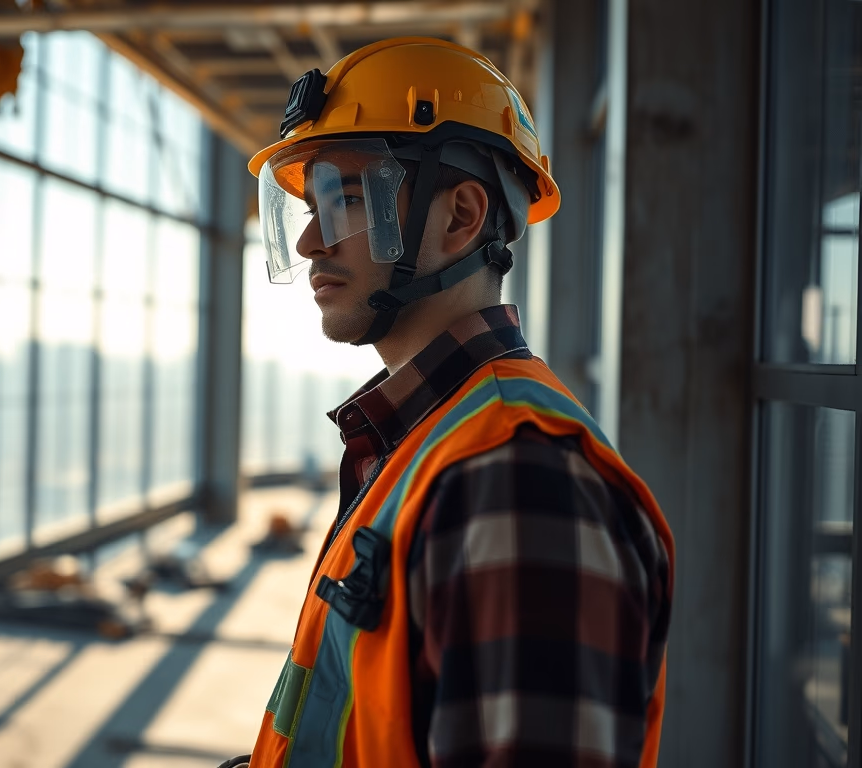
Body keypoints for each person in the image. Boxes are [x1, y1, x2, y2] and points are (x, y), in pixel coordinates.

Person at [219, 38, 674, 767]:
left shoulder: (519, 483)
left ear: (461, 217)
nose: (308, 241)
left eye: (344, 198)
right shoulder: (430, 442)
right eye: (309, 205)